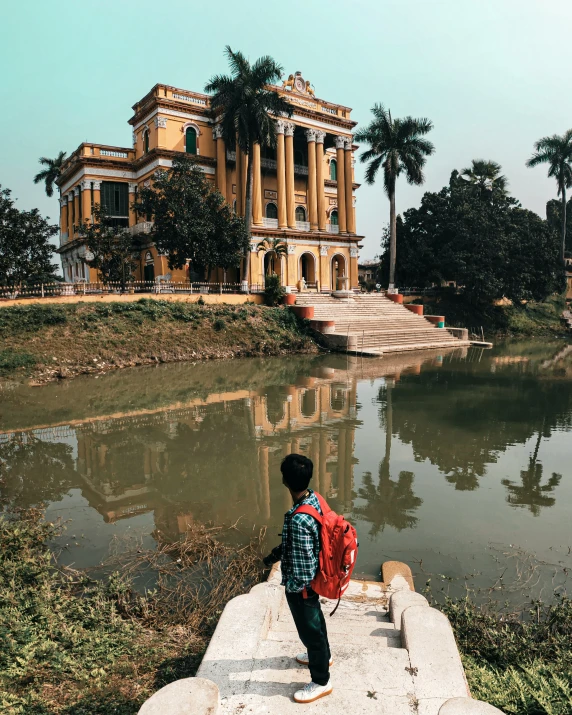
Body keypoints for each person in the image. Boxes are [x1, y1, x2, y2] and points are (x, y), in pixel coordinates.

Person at [263, 453, 332, 704]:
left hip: (303, 587)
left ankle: (321, 680)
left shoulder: (298, 519)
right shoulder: (314, 499)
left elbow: (303, 564)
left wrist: (297, 589)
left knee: (310, 630)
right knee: (316, 626)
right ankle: (323, 656)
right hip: (314, 583)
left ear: (285, 481)